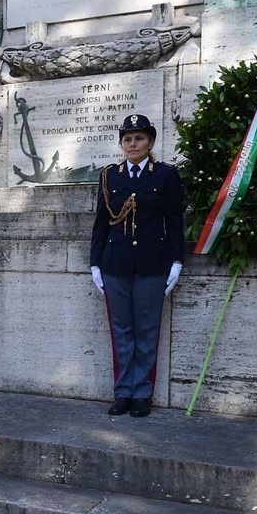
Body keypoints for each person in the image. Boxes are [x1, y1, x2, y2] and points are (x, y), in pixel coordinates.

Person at [89, 114, 185, 418]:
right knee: (121, 331)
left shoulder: (166, 175)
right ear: (121, 144)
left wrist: (177, 262)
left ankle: (142, 393)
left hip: (153, 264)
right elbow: (101, 224)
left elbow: (175, 222)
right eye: (128, 139)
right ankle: (123, 392)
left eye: (139, 138)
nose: (133, 144)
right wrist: (94, 264)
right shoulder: (110, 176)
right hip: (114, 264)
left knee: (146, 331)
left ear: (151, 142)